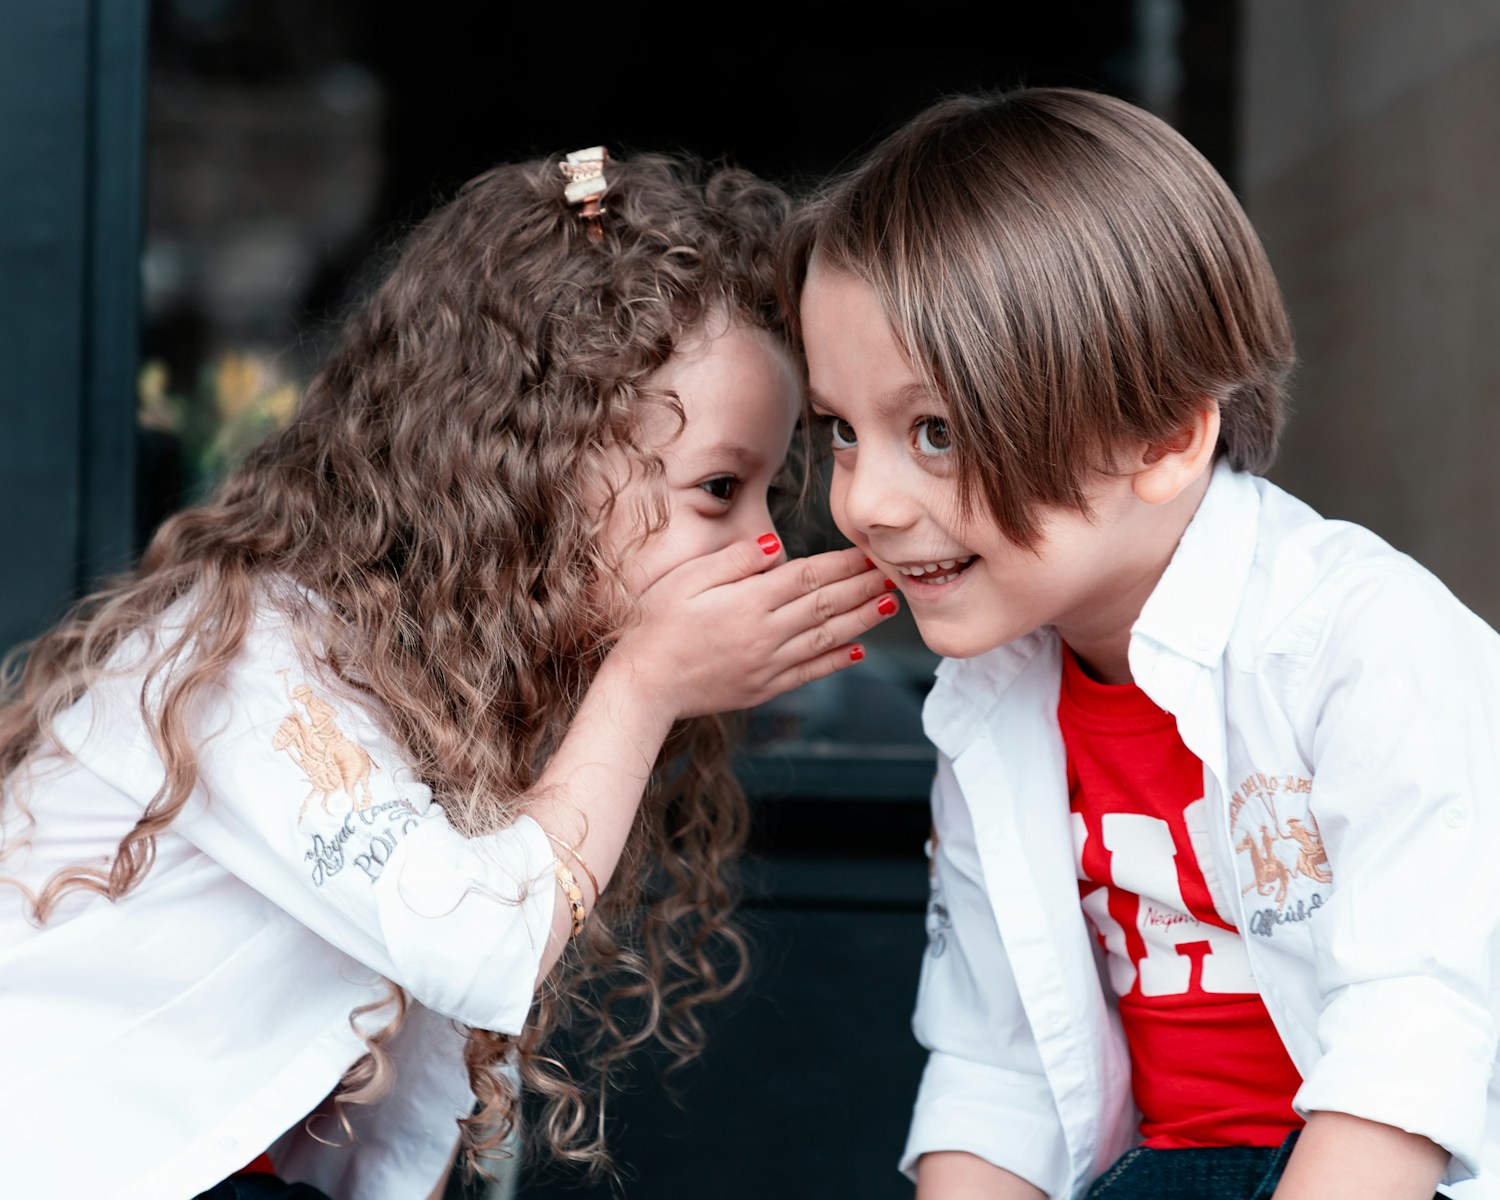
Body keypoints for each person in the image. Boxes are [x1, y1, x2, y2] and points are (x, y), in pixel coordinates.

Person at [0, 147, 900, 1200]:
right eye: (718, 490)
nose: (763, 546)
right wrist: (646, 684)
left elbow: (415, 1105)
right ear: (538, 459)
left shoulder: (457, 675)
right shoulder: (251, 655)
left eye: (768, 492)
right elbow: (475, 946)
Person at [780, 87, 1500, 1200]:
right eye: (842, 429)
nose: (865, 502)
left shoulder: (1361, 643)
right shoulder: (992, 698)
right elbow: (996, 1070)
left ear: (1165, 435)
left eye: (935, 432)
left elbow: (1415, 1045)